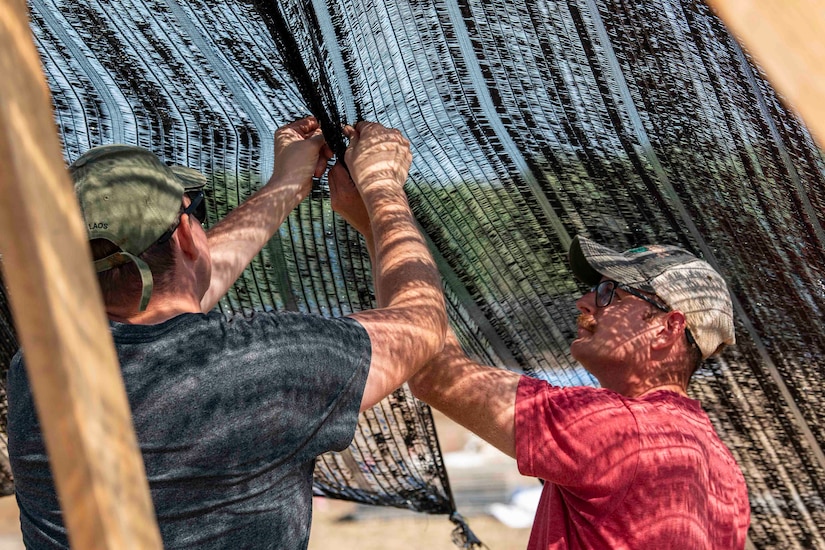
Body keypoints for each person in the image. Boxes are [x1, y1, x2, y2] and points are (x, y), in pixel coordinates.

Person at [7, 117, 447, 549]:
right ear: (186, 235)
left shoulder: (40, 370)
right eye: (195, 214)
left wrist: (286, 186)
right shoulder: (267, 363)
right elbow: (421, 324)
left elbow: (166, 296)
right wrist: (384, 191)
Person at [333, 185, 750, 549]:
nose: (584, 303)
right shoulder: (721, 467)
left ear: (667, 327)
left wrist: (383, 204)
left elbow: (436, 371)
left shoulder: (619, 430)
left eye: (610, 293)